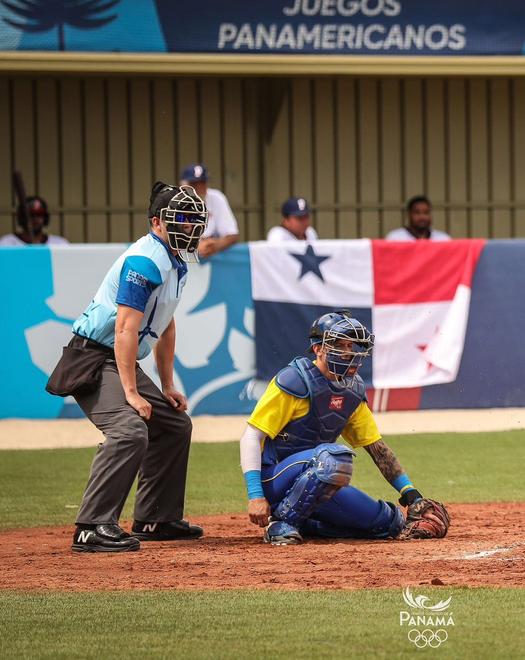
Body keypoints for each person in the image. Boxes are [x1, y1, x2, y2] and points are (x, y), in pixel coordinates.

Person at [45, 182, 209, 553]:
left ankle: (155, 518)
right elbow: (124, 329)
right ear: (157, 222)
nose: (189, 227)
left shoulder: (175, 260)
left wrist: (166, 385)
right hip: (91, 357)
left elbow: (165, 325)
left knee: (173, 423)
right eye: (180, 220)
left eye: (193, 220)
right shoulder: (145, 260)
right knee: (129, 429)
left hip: (112, 357)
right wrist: (132, 393)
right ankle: (91, 526)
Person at [239, 310, 450, 545]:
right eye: (339, 345)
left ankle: (308, 524)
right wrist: (256, 495)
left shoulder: (351, 391)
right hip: (276, 478)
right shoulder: (294, 380)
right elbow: (251, 437)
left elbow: (377, 448)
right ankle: (281, 523)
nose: (348, 352)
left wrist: (410, 494)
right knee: (334, 458)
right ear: (318, 349)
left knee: (388, 523)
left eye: (350, 346)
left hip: (318, 480)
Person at [180, 163, 239, 257]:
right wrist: (195, 246)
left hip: (208, 261)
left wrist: (214, 247)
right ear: (182, 185)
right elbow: (165, 237)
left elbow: (232, 235)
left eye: (202, 184)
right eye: (194, 185)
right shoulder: (173, 201)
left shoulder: (216, 198)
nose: (199, 189)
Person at [0, 196, 69, 246]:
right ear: (22, 218)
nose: (35, 219)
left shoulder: (59, 244)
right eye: (31, 216)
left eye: (39, 215)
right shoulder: (7, 243)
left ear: (45, 218)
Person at [385, 196, 451, 241]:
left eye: (426, 212)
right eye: (417, 213)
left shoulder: (443, 239)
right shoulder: (395, 238)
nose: (422, 217)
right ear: (408, 215)